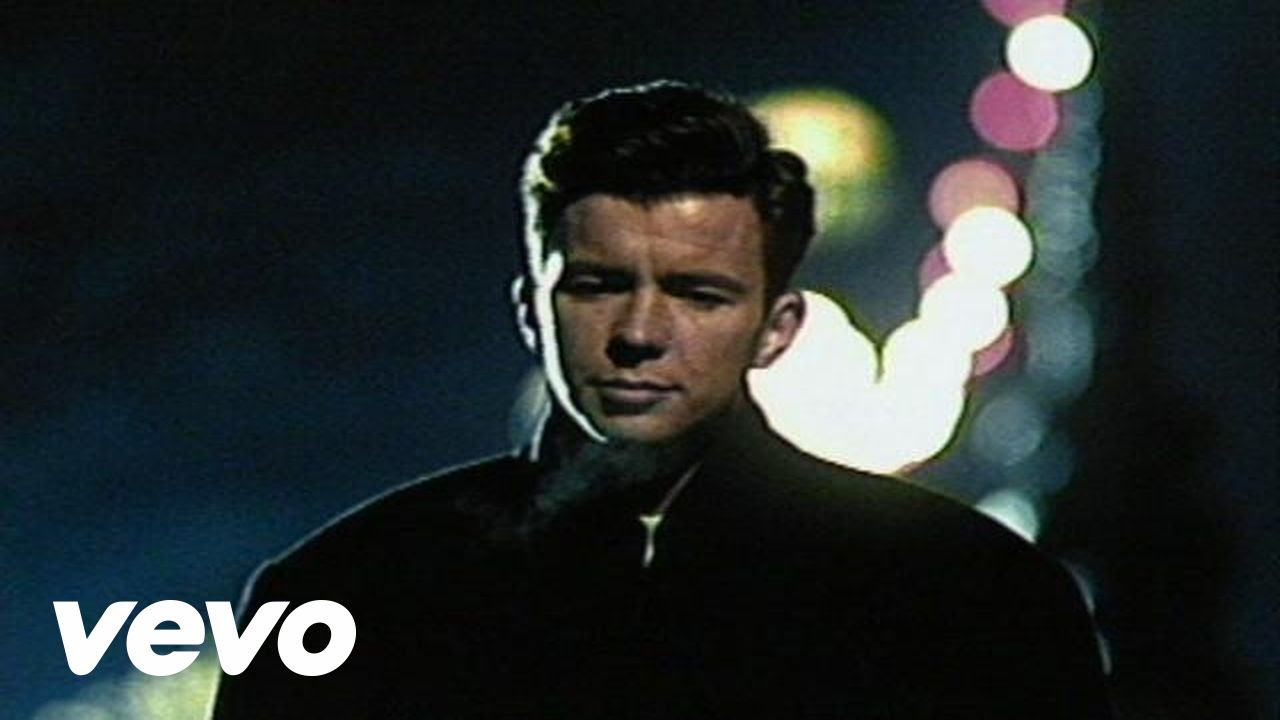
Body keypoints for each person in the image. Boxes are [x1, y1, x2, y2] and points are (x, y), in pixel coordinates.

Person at [210, 80, 1112, 718]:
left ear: (777, 328)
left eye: (698, 294)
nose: (641, 331)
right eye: (598, 286)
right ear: (532, 311)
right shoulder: (349, 592)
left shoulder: (969, 599)